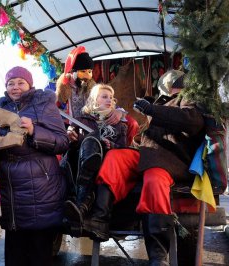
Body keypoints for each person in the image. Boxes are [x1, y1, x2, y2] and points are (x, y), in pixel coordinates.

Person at [85, 72, 206, 265]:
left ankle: (158, 255)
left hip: (171, 159)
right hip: (147, 154)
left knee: (154, 179)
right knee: (116, 157)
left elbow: (192, 121)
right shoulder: (163, 101)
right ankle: (100, 219)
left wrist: (152, 110)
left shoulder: (190, 100)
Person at [0, 66, 69, 266]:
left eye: (21, 82)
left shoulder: (44, 105)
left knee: (39, 254)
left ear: (30, 85)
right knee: (14, 255)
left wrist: (33, 131)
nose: (15, 87)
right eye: (11, 83)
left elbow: (62, 141)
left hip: (40, 191)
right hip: (10, 192)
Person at [64, 84, 127, 227]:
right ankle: (80, 208)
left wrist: (111, 145)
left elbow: (123, 149)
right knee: (91, 143)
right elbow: (69, 144)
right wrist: (72, 138)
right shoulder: (81, 120)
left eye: (111, 97)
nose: (109, 100)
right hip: (79, 160)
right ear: (94, 99)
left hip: (107, 162)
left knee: (95, 155)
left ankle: (80, 207)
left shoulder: (120, 124)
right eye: (104, 97)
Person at [55, 46, 127, 129]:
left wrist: (119, 112)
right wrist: (65, 126)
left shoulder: (93, 88)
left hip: (92, 126)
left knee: (132, 123)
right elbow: (54, 109)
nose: (87, 76)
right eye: (83, 71)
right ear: (73, 72)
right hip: (72, 128)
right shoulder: (63, 88)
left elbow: (108, 102)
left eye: (89, 72)